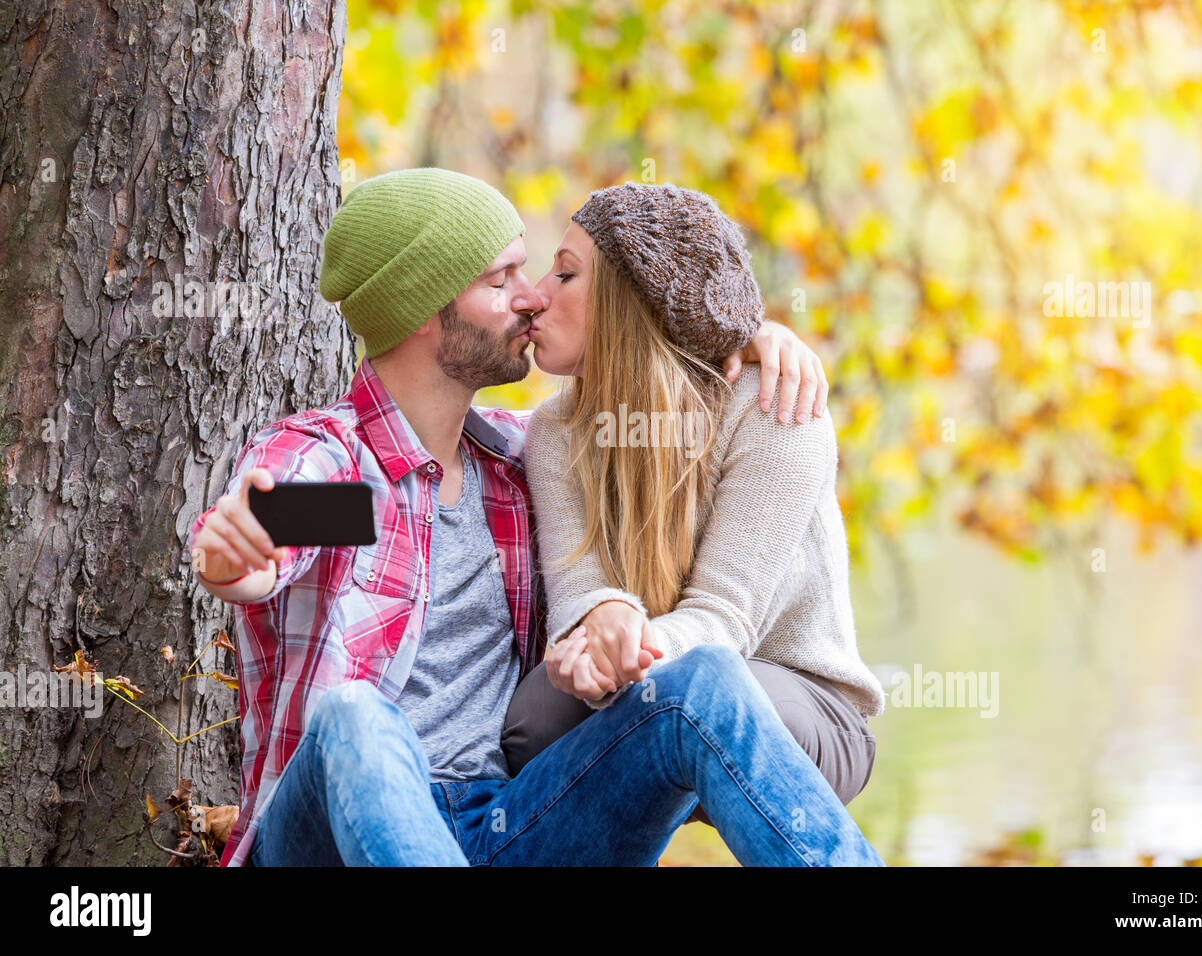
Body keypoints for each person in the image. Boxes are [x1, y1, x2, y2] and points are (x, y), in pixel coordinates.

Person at [188, 167, 884, 866]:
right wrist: (237, 559)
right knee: (353, 715)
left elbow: (653, 407)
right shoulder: (351, 477)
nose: (531, 299)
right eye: (501, 281)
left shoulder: (518, 463)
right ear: (426, 310)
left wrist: (739, 333)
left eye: (539, 272)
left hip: (506, 825)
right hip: (334, 828)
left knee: (699, 683)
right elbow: (276, 529)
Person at [503, 182, 886, 821]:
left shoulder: (775, 410)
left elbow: (723, 621)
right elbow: (582, 593)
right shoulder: (553, 431)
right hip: (654, 681)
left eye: (566, 274)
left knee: (701, 695)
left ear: (635, 302)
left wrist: (626, 653)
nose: (537, 295)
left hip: (800, 703)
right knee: (536, 718)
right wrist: (594, 636)